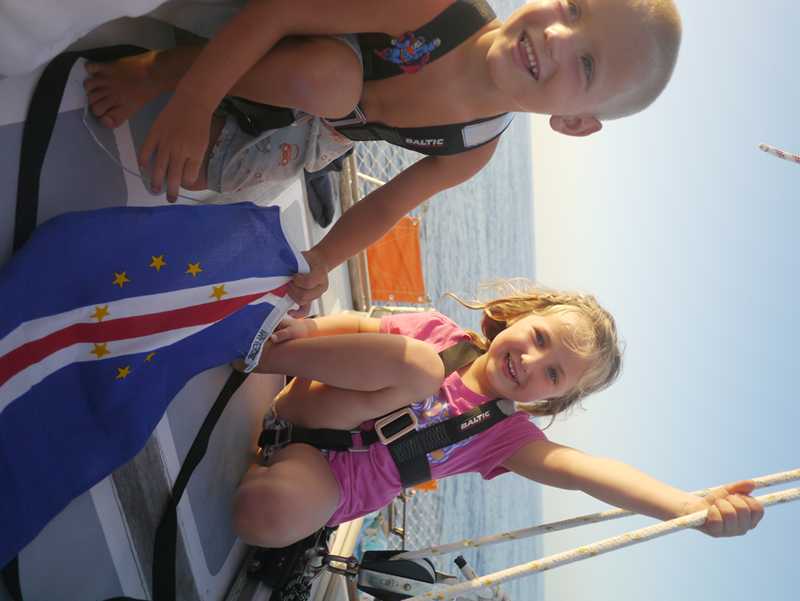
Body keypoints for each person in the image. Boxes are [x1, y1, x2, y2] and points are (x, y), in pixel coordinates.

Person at [83, 0, 683, 313]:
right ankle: (160, 67)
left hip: (329, 127)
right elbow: (281, 11)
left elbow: (387, 206)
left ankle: (223, 96)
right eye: (574, 8)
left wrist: (322, 260)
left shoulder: (473, 146)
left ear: (574, 123)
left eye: (586, 64)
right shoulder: (439, 12)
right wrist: (191, 98)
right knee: (330, 80)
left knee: (198, 172)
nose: (558, 36)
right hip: (304, 37)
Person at [230, 284, 763, 548]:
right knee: (420, 367)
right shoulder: (437, 334)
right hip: (306, 407)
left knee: (266, 515)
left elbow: (586, 473)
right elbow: (357, 325)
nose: (529, 362)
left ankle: (274, 472)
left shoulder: (505, 438)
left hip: (330, 480)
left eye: (552, 374)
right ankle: (261, 352)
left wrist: (686, 506)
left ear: (555, 399)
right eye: (539, 338)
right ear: (518, 317)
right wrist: (310, 330)